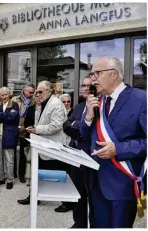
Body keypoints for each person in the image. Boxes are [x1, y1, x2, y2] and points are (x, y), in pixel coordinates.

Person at [80, 56, 147, 228]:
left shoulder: (141, 100)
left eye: (97, 73)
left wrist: (118, 149)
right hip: (95, 183)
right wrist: (87, 117)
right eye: (92, 73)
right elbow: (84, 135)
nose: (93, 78)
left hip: (123, 184)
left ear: (114, 75)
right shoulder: (97, 101)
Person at [18, 81, 69, 205]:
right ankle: (34, 197)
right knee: (37, 173)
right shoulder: (45, 103)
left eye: (41, 92)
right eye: (37, 92)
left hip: (53, 147)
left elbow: (56, 126)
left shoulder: (55, 103)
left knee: (60, 175)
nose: (38, 94)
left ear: (49, 91)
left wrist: (36, 129)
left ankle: (68, 203)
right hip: (43, 145)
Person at [63, 76, 95, 228]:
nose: (86, 88)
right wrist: (80, 125)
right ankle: (79, 224)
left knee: (94, 199)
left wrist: (78, 125)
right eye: (83, 85)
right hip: (76, 157)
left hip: (93, 159)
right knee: (78, 196)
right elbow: (67, 126)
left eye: (90, 86)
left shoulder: (100, 106)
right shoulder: (78, 107)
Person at [0, 87, 19, 189]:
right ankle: (0, 178)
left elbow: (12, 118)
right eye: (2, 95)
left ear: (9, 94)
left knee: (9, 158)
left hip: (9, 135)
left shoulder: (14, 105)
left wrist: (1, 116)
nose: (4, 96)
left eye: (5, 94)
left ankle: (10, 180)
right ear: (0, 96)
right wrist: (5, 115)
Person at [12, 84, 35, 183]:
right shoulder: (15, 99)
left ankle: (22, 174)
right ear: (24, 91)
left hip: (25, 130)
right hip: (13, 129)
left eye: (32, 92)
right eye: (30, 92)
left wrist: (24, 128)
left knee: (23, 154)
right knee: (12, 152)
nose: (31, 94)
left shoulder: (34, 101)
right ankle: (13, 173)